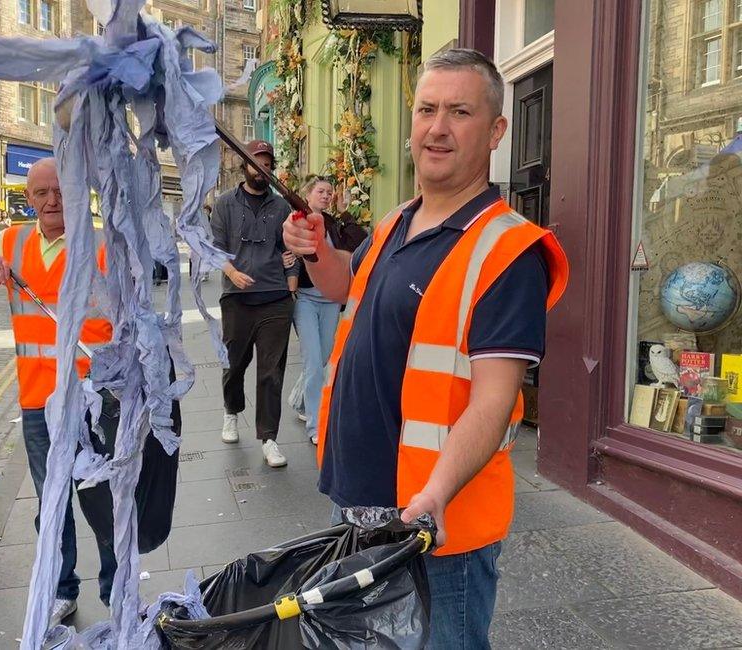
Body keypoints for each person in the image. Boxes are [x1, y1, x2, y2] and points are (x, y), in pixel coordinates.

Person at [283, 49, 568, 647]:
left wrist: (434, 495)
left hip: (436, 525)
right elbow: (342, 287)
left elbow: (493, 402)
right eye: (427, 109)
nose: (437, 127)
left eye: (459, 111)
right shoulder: (396, 222)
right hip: (358, 500)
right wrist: (315, 250)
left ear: (495, 131)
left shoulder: (509, 252)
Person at [0, 159, 128, 626]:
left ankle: (116, 589)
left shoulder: (102, 242)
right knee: (52, 499)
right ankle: (62, 589)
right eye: (41, 193)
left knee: (103, 496)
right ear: (29, 198)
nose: (51, 201)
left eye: (60, 192)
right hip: (37, 398)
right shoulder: (13, 239)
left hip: (96, 396)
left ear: (78, 194)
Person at [211, 140, 299, 468]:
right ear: (243, 164)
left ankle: (269, 437)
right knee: (234, 364)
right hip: (237, 299)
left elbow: (290, 248)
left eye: (266, 163)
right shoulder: (224, 204)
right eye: (255, 162)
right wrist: (232, 272)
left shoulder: (281, 208)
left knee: (272, 371)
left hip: (275, 298)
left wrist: (291, 281)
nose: (261, 168)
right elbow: (215, 248)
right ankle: (231, 412)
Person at [289, 176, 367, 445]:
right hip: (307, 300)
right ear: (308, 194)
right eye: (321, 191)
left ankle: (300, 400)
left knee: (323, 361)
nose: (326, 195)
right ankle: (316, 425)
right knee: (313, 363)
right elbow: (286, 249)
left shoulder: (332, 224)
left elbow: (359, 243)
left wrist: (345, 211)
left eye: (329, 192)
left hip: (332, 300)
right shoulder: (297, 221)